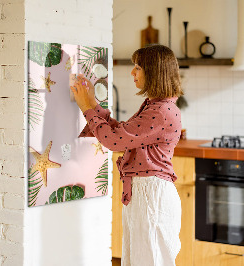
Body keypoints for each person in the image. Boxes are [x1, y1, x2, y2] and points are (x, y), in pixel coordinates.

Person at [70, 44, 183, 266]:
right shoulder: (156, 106)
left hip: (151, 195)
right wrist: (93, 104)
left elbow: (113, 141)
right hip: (145, 193)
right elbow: (122, 133)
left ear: (154, 71)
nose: (132, 72)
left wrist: (86, 108)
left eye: (138, 67)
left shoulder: (160, 111)